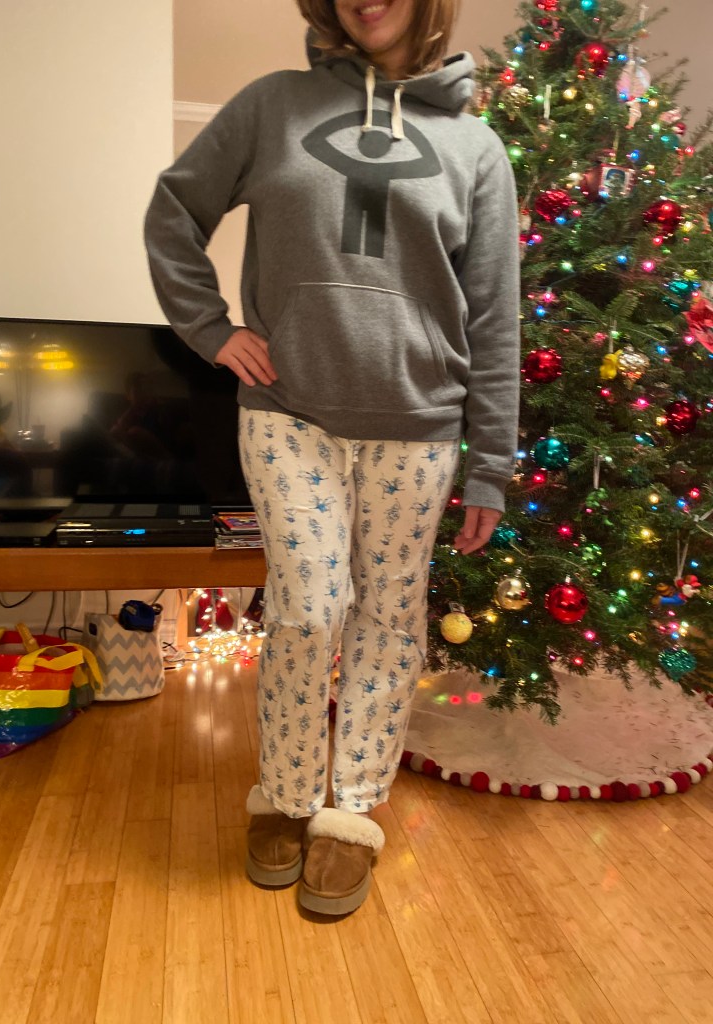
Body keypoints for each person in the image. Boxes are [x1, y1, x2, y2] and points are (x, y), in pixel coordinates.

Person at [144, 0, 520, 916]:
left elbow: (495, 316)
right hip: (289, 413)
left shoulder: (476, 149)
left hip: (418, 426)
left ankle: (350, 810)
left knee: (388, 619)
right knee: (309, 609)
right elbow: (174, 211)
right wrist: (210, 328)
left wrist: (492, 463)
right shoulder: (271, 104)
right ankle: (284, 793)